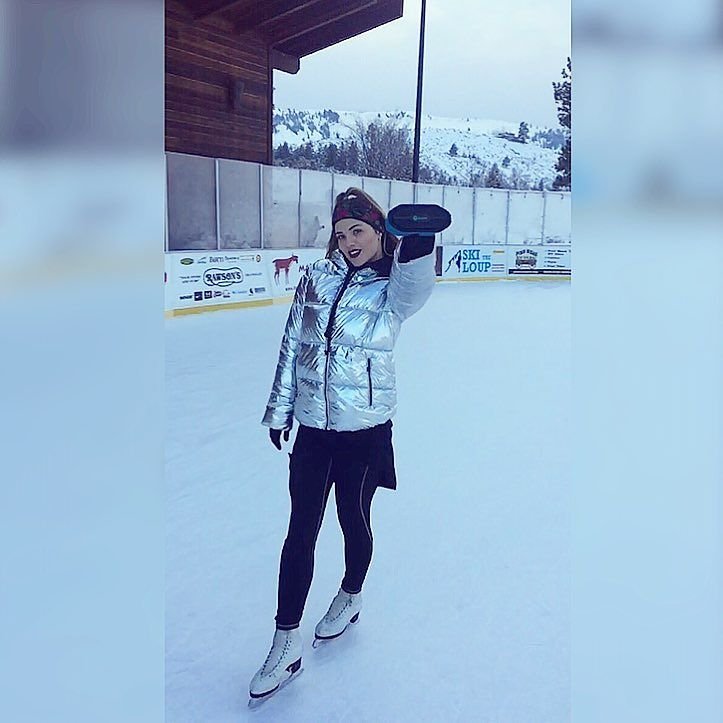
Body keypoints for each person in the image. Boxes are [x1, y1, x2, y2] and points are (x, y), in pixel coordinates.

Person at [249, 187, 436, 703]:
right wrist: (280, 409)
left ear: (379, 232)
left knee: (352, 518)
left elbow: (415, 286)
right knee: (300, 532)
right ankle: (285, 641)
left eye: (358, 230)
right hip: (313, 430)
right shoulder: (315, 278)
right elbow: (292, 344)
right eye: (341, 234)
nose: (350, 241)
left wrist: (418, 240)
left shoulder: (392, 287)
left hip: (365, 432)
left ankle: (350, 594)